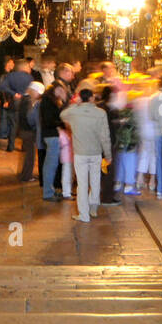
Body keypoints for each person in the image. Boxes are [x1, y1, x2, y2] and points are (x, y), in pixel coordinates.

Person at [61, 88, 113, 222]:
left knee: (82, 184)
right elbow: (105, 136)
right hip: (95, 152)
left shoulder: (74, 112)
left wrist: (76, 104)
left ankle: (84, 215)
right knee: (95, 181)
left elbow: (62, 115)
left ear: (80, 98)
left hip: (80, 153)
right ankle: (93, 207)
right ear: (91, 98)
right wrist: (107, 154)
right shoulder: (101, 113)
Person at [108, 88, 141, 196]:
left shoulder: (119, 111)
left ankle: (117, 183)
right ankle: (129, 186)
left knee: (119, 163)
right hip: (130, 143)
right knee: (130, 164)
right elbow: (135, 128)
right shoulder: (134, 114)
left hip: (119, 143)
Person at [0, 58, 34, 152]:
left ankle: (10, 146)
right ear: (25, 67)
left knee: (13, 124)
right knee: (25, 125)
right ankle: (24, 147)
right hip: (26, 102)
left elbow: (2, 87)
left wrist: (14, 93)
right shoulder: (29, 77)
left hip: (14, 102)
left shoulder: (10, 76)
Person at [38, 83, 66, 201]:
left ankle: (50, 191)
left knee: (50, 164)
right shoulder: (48, 102)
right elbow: (49, 121)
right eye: (61, 90)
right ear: (56, 89)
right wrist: (62, 124)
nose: (62, 93)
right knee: (51, 164)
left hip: (50, 135)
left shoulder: (48, 101)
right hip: (52, 135)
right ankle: (48, 193)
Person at [16, 80, 44, 182]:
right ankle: (26, 176)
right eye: (39, 93)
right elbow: (28, 117)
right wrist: (34, 127)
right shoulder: (27, 101)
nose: (39, 95)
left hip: (24, 131)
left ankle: (26, 174)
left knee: (28, 154)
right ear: (33, 91)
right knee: (30, 155)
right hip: (28, 131)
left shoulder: (24, 99)